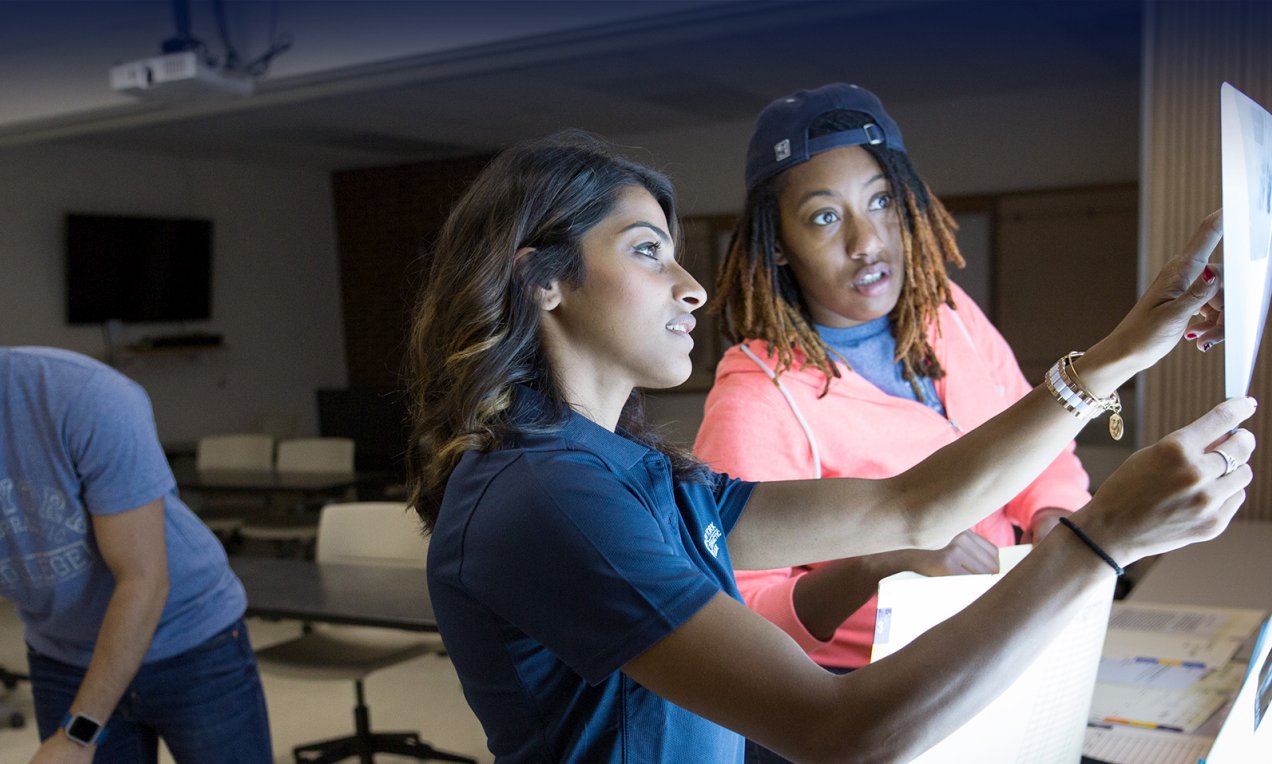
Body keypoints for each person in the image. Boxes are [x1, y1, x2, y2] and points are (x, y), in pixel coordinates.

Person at [407, 130, 1250, 763]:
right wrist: (1101, 543)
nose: (692, 288)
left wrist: (1124, 352)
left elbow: (913, 506)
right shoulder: (548, 496)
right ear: (541, 279)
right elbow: (836, 730)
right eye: (648, 252)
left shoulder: (631, 475)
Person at [693, 82, 1093, 761]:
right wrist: (883, 562)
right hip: (873, 700)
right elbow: (737, 618)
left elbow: (1040, 440)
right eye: (825, 217)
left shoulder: (949, 316)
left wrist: (1055, 515)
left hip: (1008, 643)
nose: (866, 240)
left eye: (880, 201)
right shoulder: (759, 397)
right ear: (779, 244)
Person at [0, 347, 272, 763]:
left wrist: (78, 734)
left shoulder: (86, 397)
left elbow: (143, 579)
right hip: (64, 651)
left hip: (188, 640)